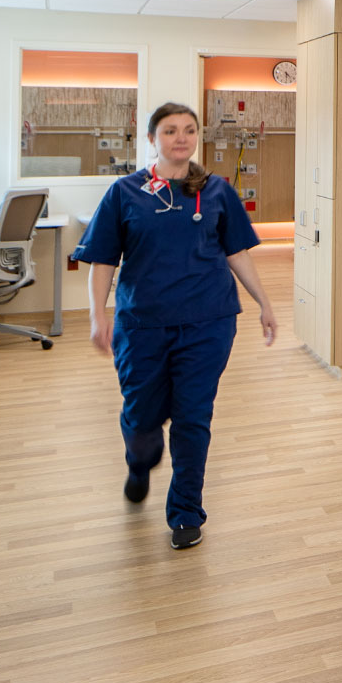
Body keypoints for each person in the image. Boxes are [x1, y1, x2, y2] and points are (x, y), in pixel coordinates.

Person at [74, 103, 276, 550]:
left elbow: (237, 252)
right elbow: (103, 259)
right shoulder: (125, 193)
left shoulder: (218, 191)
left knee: (192, 417)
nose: (180, 138)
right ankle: (140, 462)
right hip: (142, 324)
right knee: (143, 415)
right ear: (153, 138)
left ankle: (186, 511)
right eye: (170, 131)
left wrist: (264, 302)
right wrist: (97, 314)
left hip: (208, 323)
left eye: (188, 130)